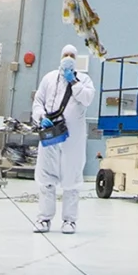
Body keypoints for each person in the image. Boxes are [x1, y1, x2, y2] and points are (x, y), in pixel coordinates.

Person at [30, 44, 94, 235]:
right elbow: (38, 102)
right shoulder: (49, 79)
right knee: (46, 178)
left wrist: (73, 82)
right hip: (51, 135)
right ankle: (44, 219)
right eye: (65, 54)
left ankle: (69, 221)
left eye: (72, 55)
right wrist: (41, 117)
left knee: (71, 179)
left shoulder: (84, 79)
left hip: (72, 139)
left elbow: (88, 99)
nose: (68, 57)